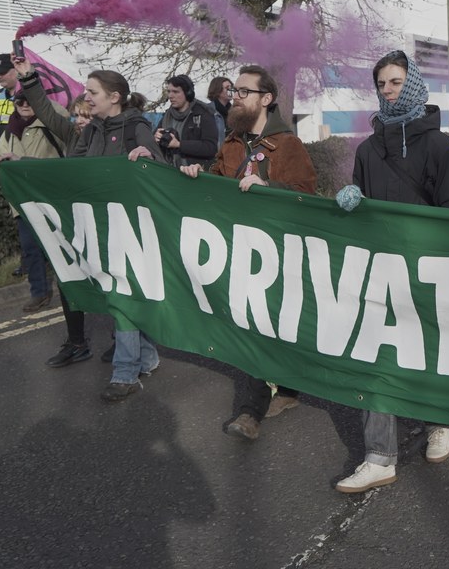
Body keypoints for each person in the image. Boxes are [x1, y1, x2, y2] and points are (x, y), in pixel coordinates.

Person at [333, 50, 449, 493]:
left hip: (428, 271)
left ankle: (438, 422)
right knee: (377, 357)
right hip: (383, 270)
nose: (388, 91)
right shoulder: (369, 149)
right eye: (382, 85)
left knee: (428, 352)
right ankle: (379, 456)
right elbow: (366, 206)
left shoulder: (441, 146)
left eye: (395, 82)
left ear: (411, 84)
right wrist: (352, 199)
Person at [180, 64, 318, 439]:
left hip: (276, 254)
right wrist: (197, 177)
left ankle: (273, 396)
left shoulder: (288, 145)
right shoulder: (231, 143)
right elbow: (218, 188)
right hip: (239, 251)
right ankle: (256, 406)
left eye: (243, 91)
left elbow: (307, 196)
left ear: (266, 99)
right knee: (251, 326)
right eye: (234, 91)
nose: (234, 97)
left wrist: (268, 185)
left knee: (272, 326)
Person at [69, 69, 166, 402]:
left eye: (92, 92)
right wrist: (22, 164)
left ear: (114, 97)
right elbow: (71, 168)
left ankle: (125, 373)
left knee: (121, 297)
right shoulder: (93, 129)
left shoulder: (136, 126)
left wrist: (148, 157)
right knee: (119, 297)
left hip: (131, 228)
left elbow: (161, 166)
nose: (86, 97)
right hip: (100, 227)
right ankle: (147, 356)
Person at [14, 56, 100, 368]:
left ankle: (127, 343)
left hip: (104, 224)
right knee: (68, 279)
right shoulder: (73, 135)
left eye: (86, 116)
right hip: (75, 222)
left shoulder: (111, 139)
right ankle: (77, 342)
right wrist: (29, 78)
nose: (80, 121)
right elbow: (47, 111)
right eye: (76, 116)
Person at [0, 92, 66, 314]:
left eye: (30, 100)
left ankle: (72, 287)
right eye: (20, 102)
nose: (25, 105)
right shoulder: (8, 133)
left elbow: (62, 115)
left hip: (51, 199)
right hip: (23, 203)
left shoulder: (50, 124)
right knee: (30, 249)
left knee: (60, 245)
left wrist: (39, 96)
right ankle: (40, 292)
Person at [155, 74, 219, 170]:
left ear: (188, 93)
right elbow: (154, 143)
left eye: (176, 92)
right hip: (169, 170)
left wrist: (179, 145)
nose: (170, 96)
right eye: (169, 91)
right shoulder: (167, 116)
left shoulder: (203, 113)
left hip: (195, 173)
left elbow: (210, 148)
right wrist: (156, 137)